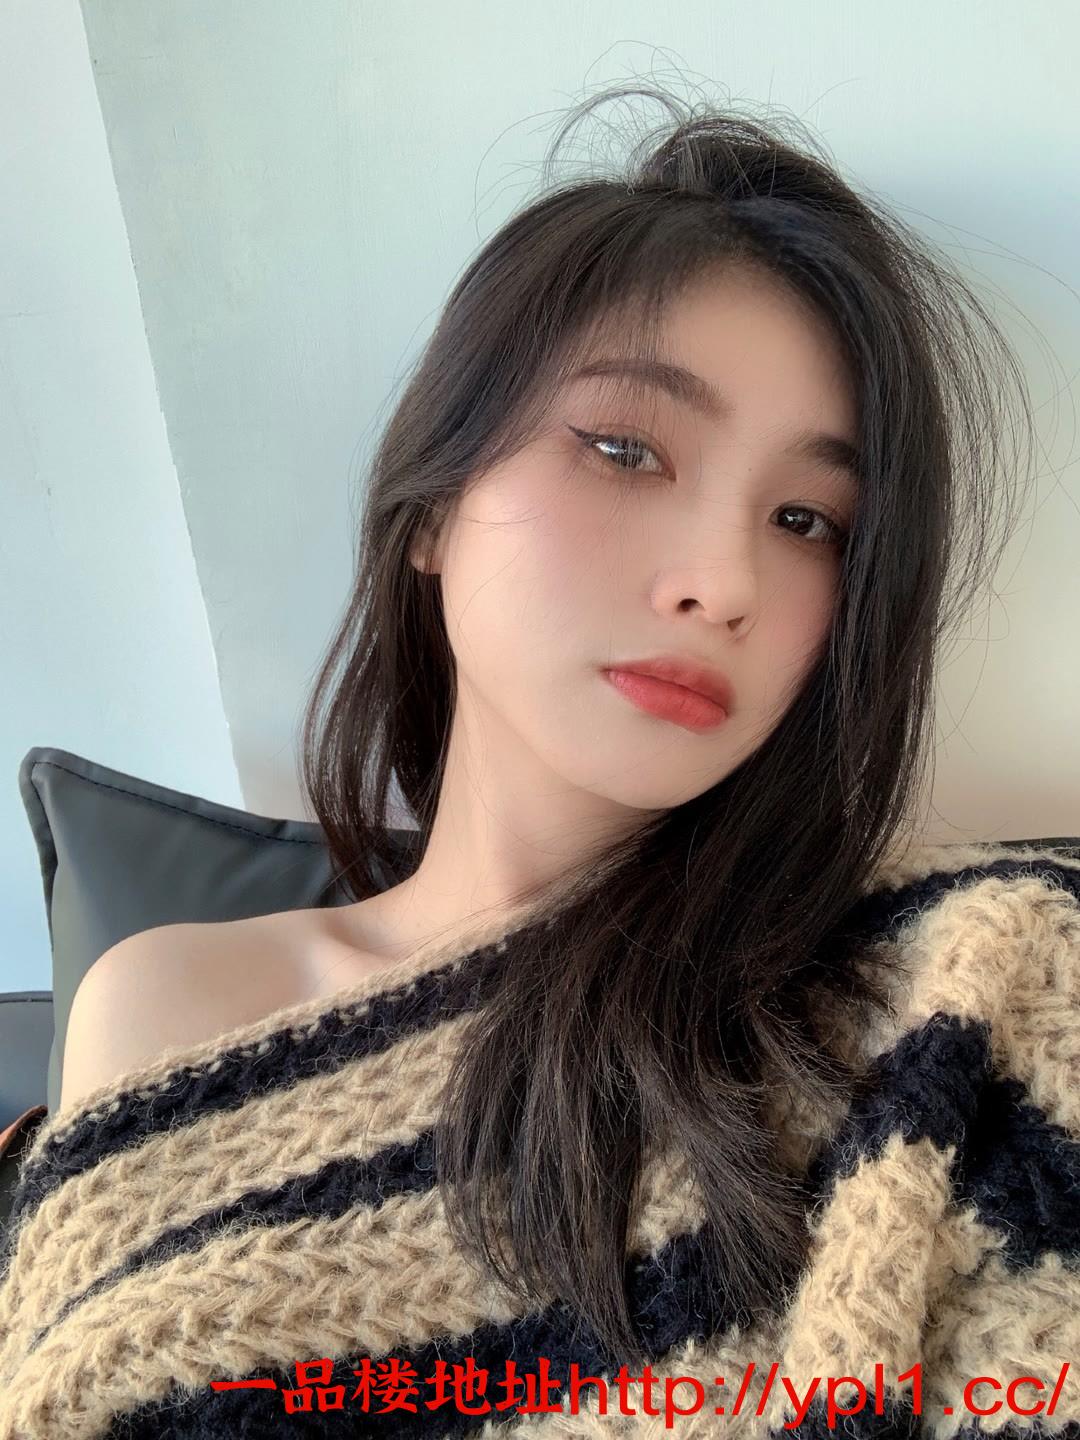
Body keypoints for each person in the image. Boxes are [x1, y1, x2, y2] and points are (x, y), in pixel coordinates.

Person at [2, 84, 1076, 1439]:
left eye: (809, 520)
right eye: (626, 450)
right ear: (433, 507)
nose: (724, 581)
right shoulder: (161, 1003)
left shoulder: (969, 975)